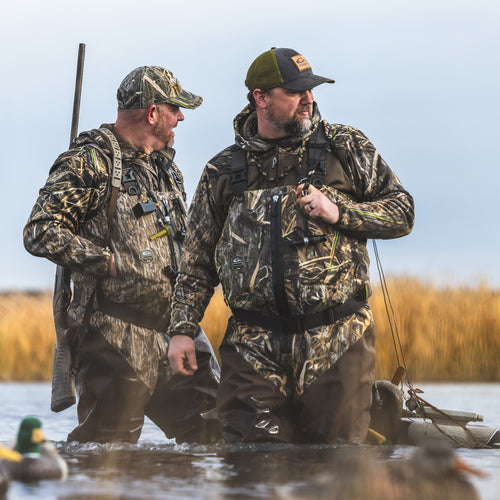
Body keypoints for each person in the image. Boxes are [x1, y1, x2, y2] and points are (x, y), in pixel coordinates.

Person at [167, 48, 415, 444]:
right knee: (251, 469)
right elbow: (196, 261)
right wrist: (181, 329)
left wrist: (339, 211)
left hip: (337, 342)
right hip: (252, 348)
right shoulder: (222, 170)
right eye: (295, 91)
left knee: (332, 472)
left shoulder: (345, 146)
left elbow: (403, 211)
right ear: (260, 98)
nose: (309, 99)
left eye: (311, 90)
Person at [23, 66, 220, 444]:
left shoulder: (167, 168)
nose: (181, 117)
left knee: (213, 437)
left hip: (175, 332)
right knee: (107, 454)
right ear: (152, 113)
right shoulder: (88, 161)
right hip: (112, 336)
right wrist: (104, 260)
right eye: (175, 108)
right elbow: (39, 231)